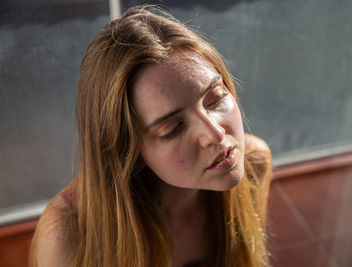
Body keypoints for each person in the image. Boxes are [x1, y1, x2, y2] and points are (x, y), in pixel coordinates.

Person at [29, 6, 272, 267]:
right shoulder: (69, 234)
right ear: (128, 150)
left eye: (215, 98)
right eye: (173, 128)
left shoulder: (254, 165)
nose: (215, 133)